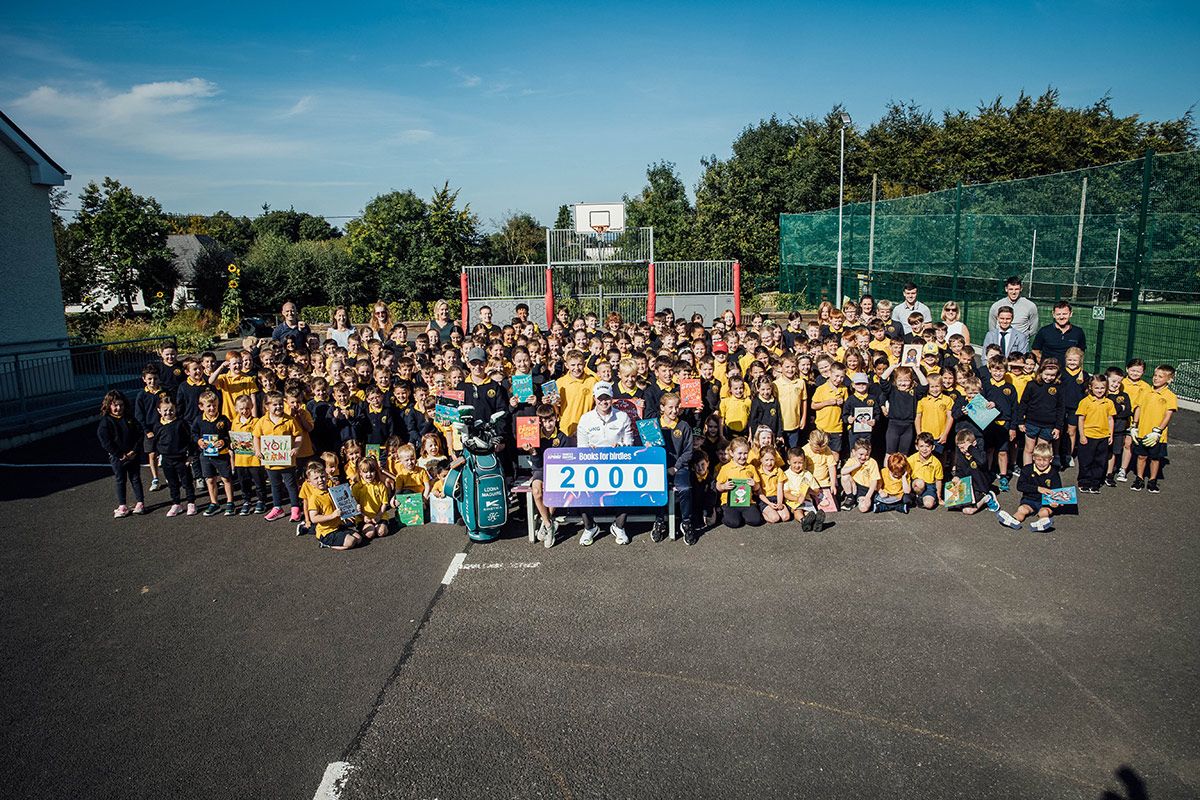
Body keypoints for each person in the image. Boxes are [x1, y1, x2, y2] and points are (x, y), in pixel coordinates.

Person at [575, 381, 634, 544]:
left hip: (618, 465)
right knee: (581, 487)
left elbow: (629, 444)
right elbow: (581, 448)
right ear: (594, 398)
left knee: (628, 486)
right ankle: (589, 527)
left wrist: (620, 446)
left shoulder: (623, 417)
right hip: (592, 465)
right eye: (600, 398)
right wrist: (589, 450)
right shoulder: (586, 419)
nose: (603, 401)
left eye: (606, 398)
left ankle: (619, 526)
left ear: (612, 398)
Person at [1129, 364, 1178, 493]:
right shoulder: (1145, 391)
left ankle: (1152, 480)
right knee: (1141, 456)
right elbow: (1138, 408)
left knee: (1155, 458)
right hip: (1142, 431)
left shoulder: (1170, 396)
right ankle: (1139, 479)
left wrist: (1158, 431)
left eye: (1160, 377)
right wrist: (1134, 425)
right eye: (1155, 375)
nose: (1156, 378)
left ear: (1169, 380)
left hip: (1157, 435)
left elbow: (1168, 415)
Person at [97, 390, 145, 518]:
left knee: (135, 478)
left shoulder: (130, 418)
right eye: (115, 405)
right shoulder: (106, 422)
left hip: (133, 455)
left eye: (121, 405)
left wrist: (134, 450)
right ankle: (122, 505)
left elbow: (139, 434)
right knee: (120, 480)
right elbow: (106, 441)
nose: (119, 408)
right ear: (108, 406)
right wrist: (119, 454)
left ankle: (140, 503)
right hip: (118, 458)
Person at [999, 441, 1061, 532]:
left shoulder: (1054, 473)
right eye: (1039, 459)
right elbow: (1020, 486)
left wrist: (1056, 502)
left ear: (1051, 459)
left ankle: (1041, 523)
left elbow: (1058, 490)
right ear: (1033, 458)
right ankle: (1013, 520)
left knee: (1044, 512)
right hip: (1029, 499)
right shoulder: (1027, 469)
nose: (1042, 463)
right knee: (1022, 509)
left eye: (1045, 460)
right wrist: (1038, 489)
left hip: (1046, 502)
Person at [1075, 375, 1115, 494]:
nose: (1099, 390)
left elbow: (1110, 419)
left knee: (1100, 461)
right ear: (1090, 388)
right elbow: (1081, 419)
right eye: (1097, 388)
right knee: (1086, 461)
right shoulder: (1085, 402)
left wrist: (1110, 435)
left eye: (1102, 388)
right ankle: (1084, 481)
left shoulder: (1108, 402)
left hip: (1102, 437)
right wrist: (1082, 435)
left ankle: (1095, 482)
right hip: (1088, 436)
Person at [1032, 301, 1086, 365]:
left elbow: (1081, 352)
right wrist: (1046, 362)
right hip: (1050, 370)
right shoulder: (1044, 331)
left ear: (1070, 314)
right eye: (1058, 314)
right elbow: (1035, 350)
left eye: (1064, 314)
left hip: (1069, 370)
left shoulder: (1078, 332)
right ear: (1053, 314)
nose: (1061, 317)